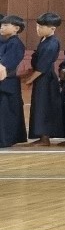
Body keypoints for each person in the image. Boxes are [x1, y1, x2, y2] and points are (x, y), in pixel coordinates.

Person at [23, 12, 64, 145]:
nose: (38, 29)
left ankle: (45, 137)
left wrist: (29, 80)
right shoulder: (44, 40)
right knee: (39, 106)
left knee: (44, 106)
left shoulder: (52, 43)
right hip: (41, 78)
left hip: (46, 79)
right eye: (37, 26)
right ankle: (41, 136)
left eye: (41, 27)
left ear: (52, 28)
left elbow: (42, 66)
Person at [0, 15, 28, 148]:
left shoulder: (15, 43)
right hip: (5, 83)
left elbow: (5, 66)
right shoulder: (5, 42)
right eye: (1, 25)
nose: (2, 27)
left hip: (7, 83)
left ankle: (5, 140)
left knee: (7, 112)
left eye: (6, 25)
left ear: (16, 28)